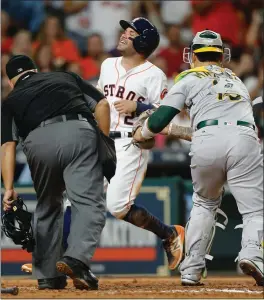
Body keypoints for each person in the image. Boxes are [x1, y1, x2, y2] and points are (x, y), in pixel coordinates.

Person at [133, 30, 264, 286]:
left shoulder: (188, 78)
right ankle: (252, 254)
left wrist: (143, 132)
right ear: (221, 56)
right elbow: (227, 125)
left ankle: (191, 269)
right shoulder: (236, 80)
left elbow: (160, 120)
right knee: (254, 209)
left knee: (204, 204)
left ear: (192, 54)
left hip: (207, 139)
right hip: (245, 138)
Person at [60, 17, 185, 273]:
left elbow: (166, 111)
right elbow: (97, 98)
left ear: (142, 40)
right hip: (99, 139)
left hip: (131, 143)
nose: (123, 35)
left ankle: (169, 233)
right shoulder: (108, 64)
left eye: (130, 32)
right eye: (125, 31)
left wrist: (138, 106)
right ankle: (59, 260)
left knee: (117, 207)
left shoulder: (154, 75)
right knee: (73, 199)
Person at [1, 55, 111, 290]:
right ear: (37, 69)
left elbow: (7, 145)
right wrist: (104, 141)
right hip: (78, 131)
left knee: (48, 205)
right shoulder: (64, 76)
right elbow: (101, 105)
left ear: (11, 81)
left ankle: (48, 275)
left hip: (38, 142)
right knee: (88, 202)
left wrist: (8, 187)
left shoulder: (9, 99)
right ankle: (76, 259)